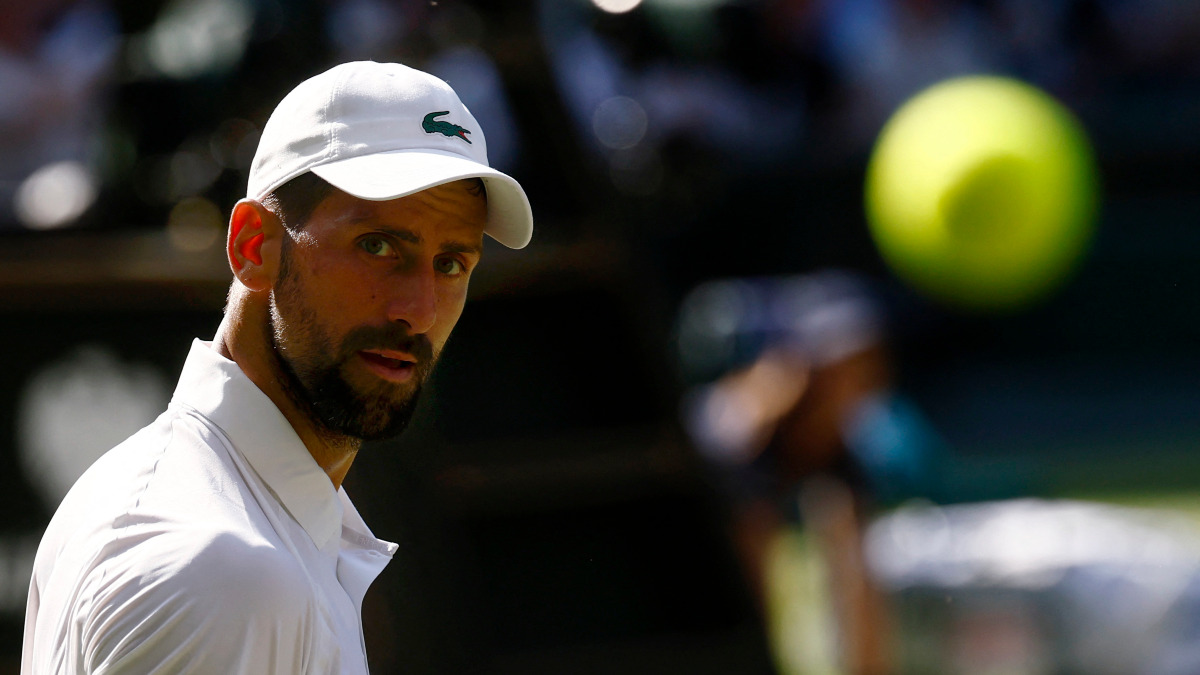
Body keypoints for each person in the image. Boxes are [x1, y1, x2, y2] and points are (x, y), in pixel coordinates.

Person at [21, 60, 533, 674]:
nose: (419, 310)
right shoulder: (223, 570)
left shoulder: (191, 513)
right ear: (252, 245)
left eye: (451, 264)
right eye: (377, 246)